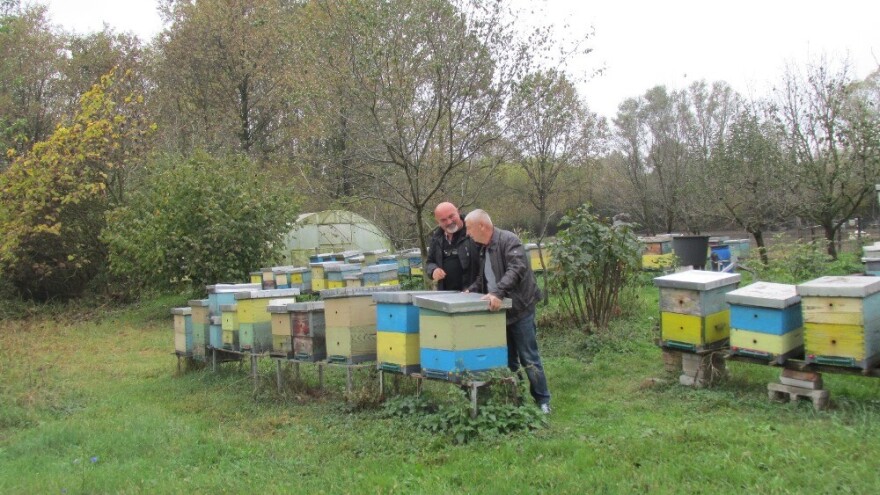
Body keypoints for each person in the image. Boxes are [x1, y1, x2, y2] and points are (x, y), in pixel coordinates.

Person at [464, 209, 552, 414]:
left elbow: (517, 269)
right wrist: (472, 290)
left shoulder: (509, 240)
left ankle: (542, 401)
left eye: (468, 228)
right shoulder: (483, 248)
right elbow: (485, 279)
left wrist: (498, 293)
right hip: (500, 312)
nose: (467, 233)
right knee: (508, 359)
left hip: (520, 309)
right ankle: (517, 400)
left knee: (528, 357)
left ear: (482, 226)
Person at [425, 202, 481, 291]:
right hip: (447, 297)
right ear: (438, 222)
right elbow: (429, 263)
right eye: (443, 220)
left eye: (451, 216)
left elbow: (486, 265)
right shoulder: (436, 239)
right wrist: (433, 270)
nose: (449, 222)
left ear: (458, 212)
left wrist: (474, 288)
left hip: (474, 294)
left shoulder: (474, 231)